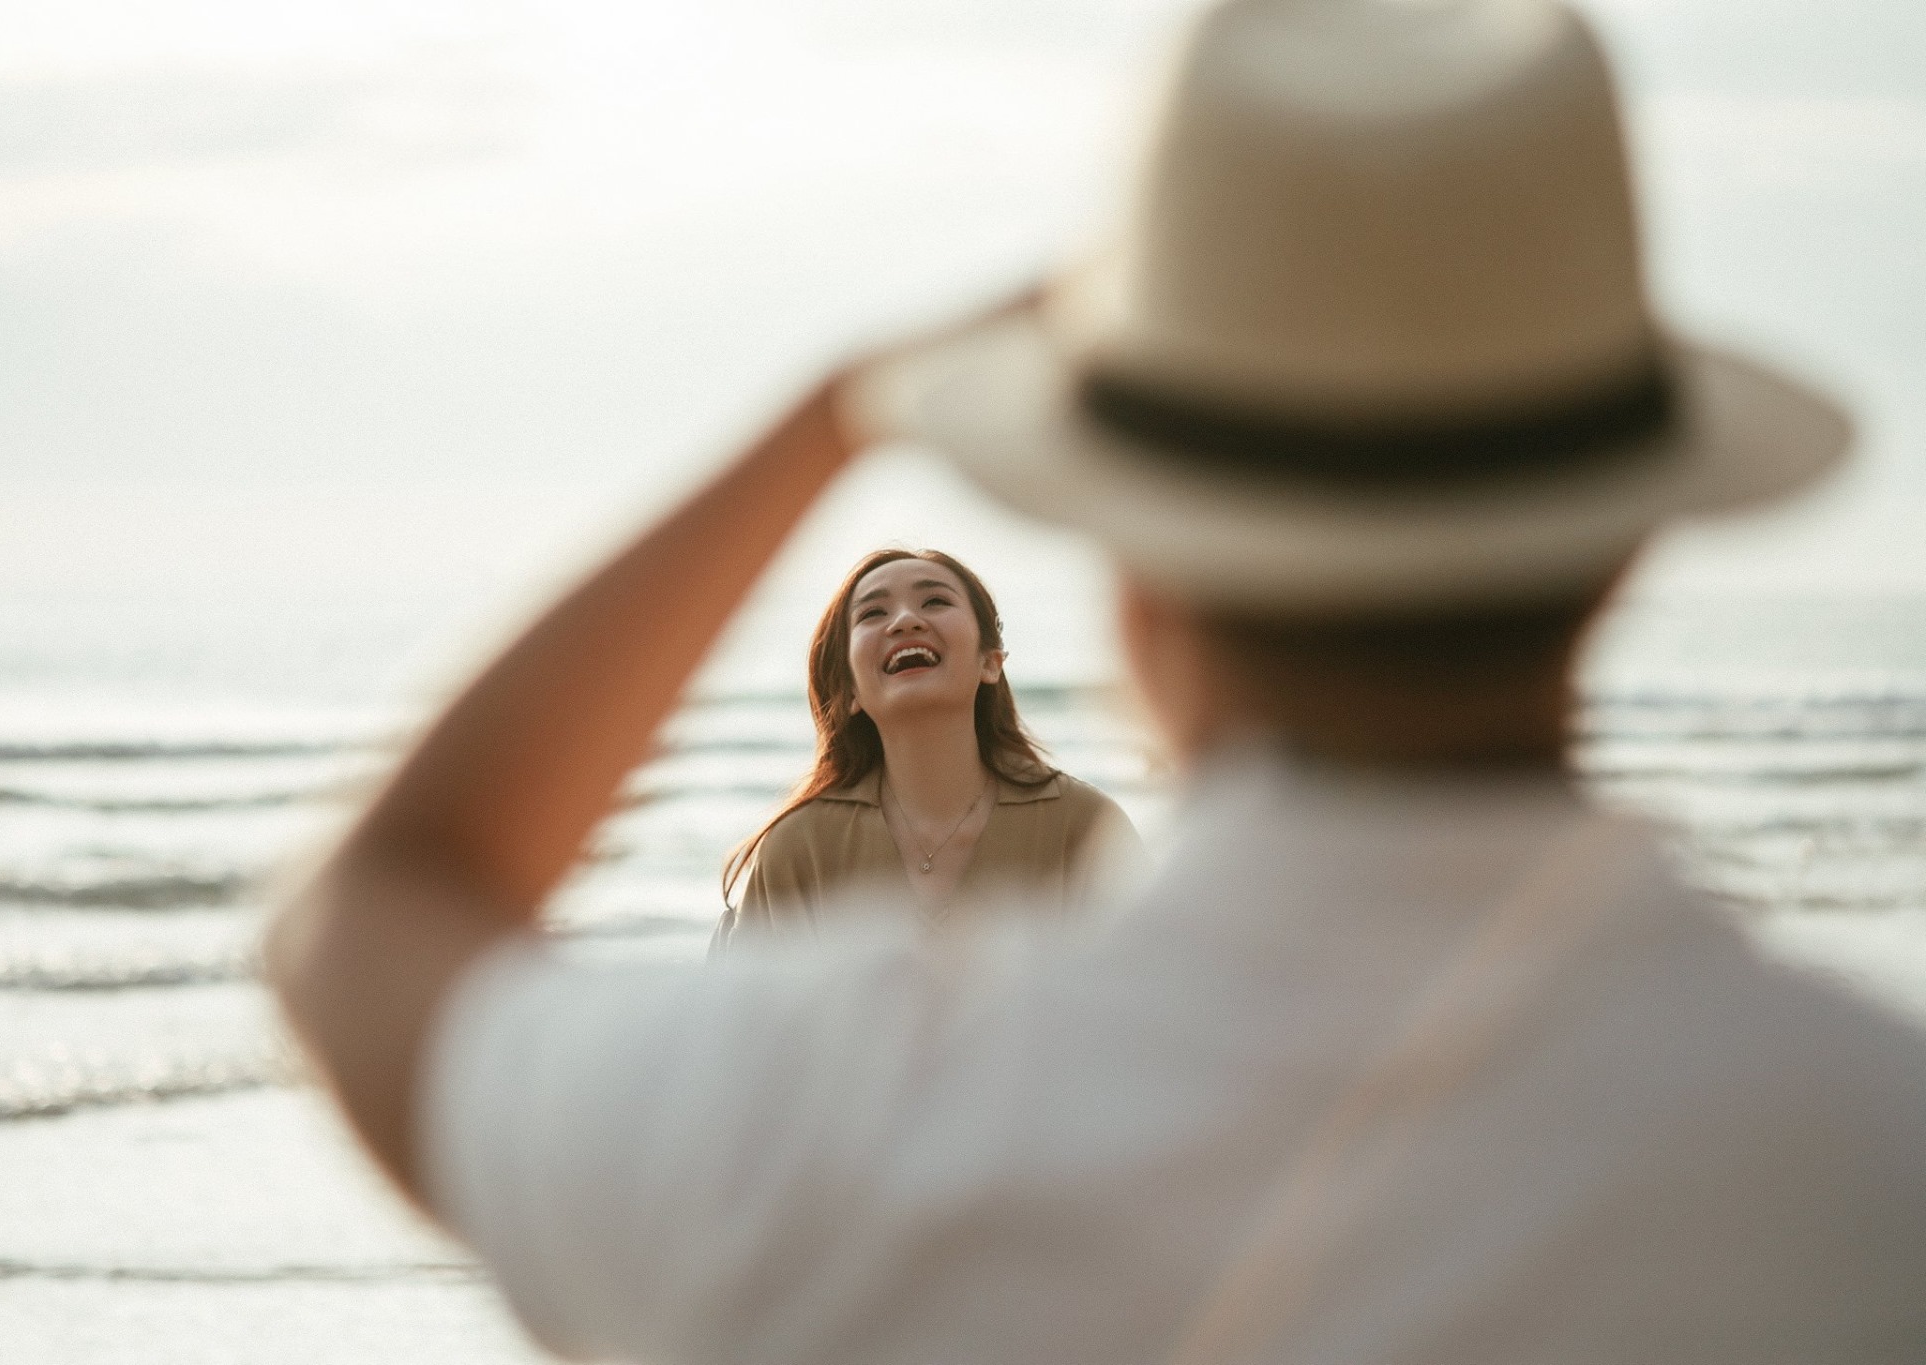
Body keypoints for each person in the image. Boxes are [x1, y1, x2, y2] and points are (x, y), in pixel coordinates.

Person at [267, 2, 1926, 1361]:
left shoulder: (823, 1128)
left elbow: (372, 921)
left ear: (1123, 569)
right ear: (1623, 546)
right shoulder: (1865, 1149)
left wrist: (838, 410)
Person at [713, 547, 1140, 948]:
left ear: (990, 662)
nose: (904, 621)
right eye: (873, 612)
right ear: (850, 692)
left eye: (935, 601)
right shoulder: (798, 846)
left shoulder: (1086, 828)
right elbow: (749, 1022)